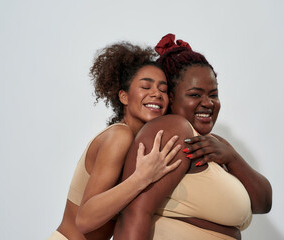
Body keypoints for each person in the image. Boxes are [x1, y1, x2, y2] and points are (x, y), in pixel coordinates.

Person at [113, 34, 272, 240]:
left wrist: (232, 157)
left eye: (213, 95)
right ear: (170, 97)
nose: (208, 103)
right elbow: (134, 214)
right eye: (195, 95)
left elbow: (263, 203)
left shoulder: (214, 143)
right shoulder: (172, 129)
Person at [47, 42, 183, 240]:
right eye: (146, 86)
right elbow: (85, 220)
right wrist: (142, 178)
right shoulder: (120, 136)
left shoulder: (138, 143)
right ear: (124, 97)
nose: (156, 93)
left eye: (163, 90)